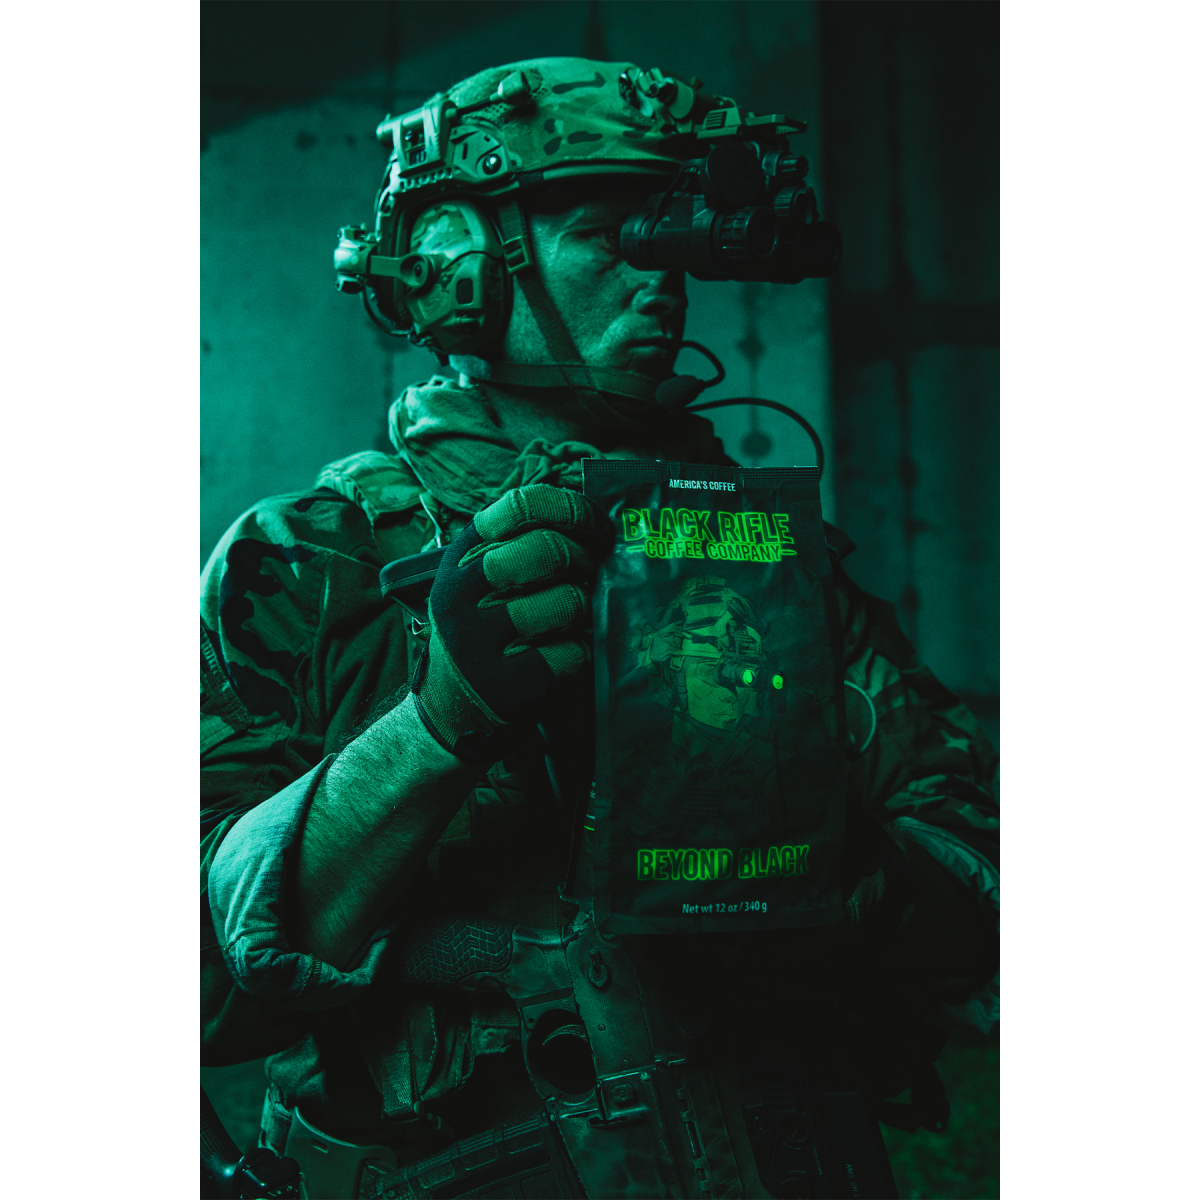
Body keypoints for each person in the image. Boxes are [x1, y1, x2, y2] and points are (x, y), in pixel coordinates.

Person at [201, 58, 999, 1199]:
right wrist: (440, 726)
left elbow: (976, 888)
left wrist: (803, 852)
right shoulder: (313, 564)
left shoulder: (766, 561)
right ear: (461, 266)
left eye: (672, 232)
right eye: (608, 235)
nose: (661, 274)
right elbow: (199, 985)